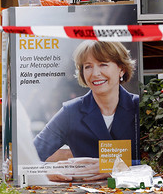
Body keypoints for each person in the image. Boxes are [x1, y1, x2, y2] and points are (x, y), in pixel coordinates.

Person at [33, 41, 139, 182]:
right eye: (88, 66)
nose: (95, 73)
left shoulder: (139, 107)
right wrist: (45, 170)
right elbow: (28, 157)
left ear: (122, 69)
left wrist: (118, 166)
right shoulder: (71, 112)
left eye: (103, 64)